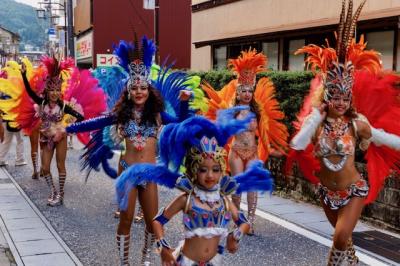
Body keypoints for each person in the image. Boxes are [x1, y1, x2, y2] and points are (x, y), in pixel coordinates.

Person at [67, 36, 200, 265]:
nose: (139, 91)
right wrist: (68, 128)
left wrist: (185, 103)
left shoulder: (158, 115)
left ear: (149, 90)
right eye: (134, 87)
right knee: (126, 219)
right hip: (127, 171)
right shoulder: (121, 114)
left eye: (143, 87)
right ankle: (124, 262)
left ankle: (145, 258)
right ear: (128, 91)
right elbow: (95, 122)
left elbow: (181, 123)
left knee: (152, 221)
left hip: (149, 173)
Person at [287, 0, 400, 265]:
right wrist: (317, 116)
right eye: (335, 96)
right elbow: (298, 143)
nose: (340, 102)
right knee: (343, 239)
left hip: (353, 191)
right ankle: (350, 259)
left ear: (350, 99)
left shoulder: (356, 122)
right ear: (327, 95)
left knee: (338, 239)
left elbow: (388, 139)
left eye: (345, 98)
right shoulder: (317, 122)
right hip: (327, 192)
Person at [114, 107, 273, 266]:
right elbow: (157, 221)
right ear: (193, 171)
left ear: (222, 171)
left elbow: (243, 222)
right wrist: (163, 248)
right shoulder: (187, 198)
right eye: (203, 170)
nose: (210, 175)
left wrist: (235, 236)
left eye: (215, 170)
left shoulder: (223, 199)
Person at [202, 49, 288, 234]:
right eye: (244, 91)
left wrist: (271, 149)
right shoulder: (232, 111)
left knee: (252, 186)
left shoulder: (257, 112)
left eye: (250, 90)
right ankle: (237, 219)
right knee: (238, 187)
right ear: (238, 92)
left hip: (253, 153)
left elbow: (263, 134)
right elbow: (222, 132)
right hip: (236, 153)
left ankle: (250, 221)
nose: (248, 94)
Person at [18, 56, 106, 207]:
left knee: (60, 166)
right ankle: (53, 191)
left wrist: (67, 127)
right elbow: (30, 92)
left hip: (60, 138)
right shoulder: (42, 102)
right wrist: (24, 75)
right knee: (45, 168)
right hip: (45, 139)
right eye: (51, 90)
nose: (54, 93)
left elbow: (80, 117)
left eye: (57, 90)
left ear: (60, 91)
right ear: (47, 90)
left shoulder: (65, 106)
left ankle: (61, 194)